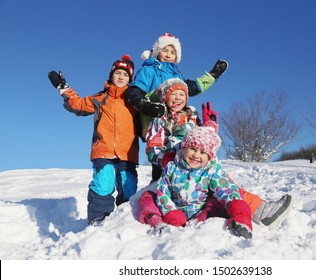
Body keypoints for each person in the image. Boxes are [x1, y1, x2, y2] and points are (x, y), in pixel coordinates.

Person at [138, 78, 293, 233]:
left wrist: (209, 124)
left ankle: (260, 210)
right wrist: (165, 158)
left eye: (182, 94)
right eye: (174, 94)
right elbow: (153, 146)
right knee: (157, 195)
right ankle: (165, 218)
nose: (178, 97)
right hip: (176, 167)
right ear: (165, 97)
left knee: (225, 184)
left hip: (200, 165)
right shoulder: (160, 119)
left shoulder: (191, 116)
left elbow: (205, 140)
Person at [48, 55, 139, 225]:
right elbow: (79, 104)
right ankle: (98, 220)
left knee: (129, 187)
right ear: (111, 75)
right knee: (103, 183)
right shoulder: (101, 98)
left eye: (125, 75)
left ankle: (128, 221)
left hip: (128, 152)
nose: (121, 77)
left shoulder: (134, 101)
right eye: (118, 73)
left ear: (130, 79)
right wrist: (64, 88)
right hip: (103, 149)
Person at [123, 32, 228, 180]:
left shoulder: (176, 74)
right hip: (156, 123)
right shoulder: (149, 70)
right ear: (157, 51)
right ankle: (159, 188)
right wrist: (147, 106)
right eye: (165, 50)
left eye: (172, 52)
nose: (168, 54)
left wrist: (213, 75)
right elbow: (134, 92)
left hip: (177, 123)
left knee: (185, 162)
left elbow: (192, 87)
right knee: (162, 160)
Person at [155, 125, 253, 239]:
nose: (196, 155)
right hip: (176, 212)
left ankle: (240, 218)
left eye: (202, 152)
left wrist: (239, 210)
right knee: (148, 198)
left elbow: (226, 190)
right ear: (184, 148)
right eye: (192, 149)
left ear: (209, 156)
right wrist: (171, 212)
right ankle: (169, 221)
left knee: (225, 198)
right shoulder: (172, 168)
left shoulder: (211, 170)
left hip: (201, 214)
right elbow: (163, 191)